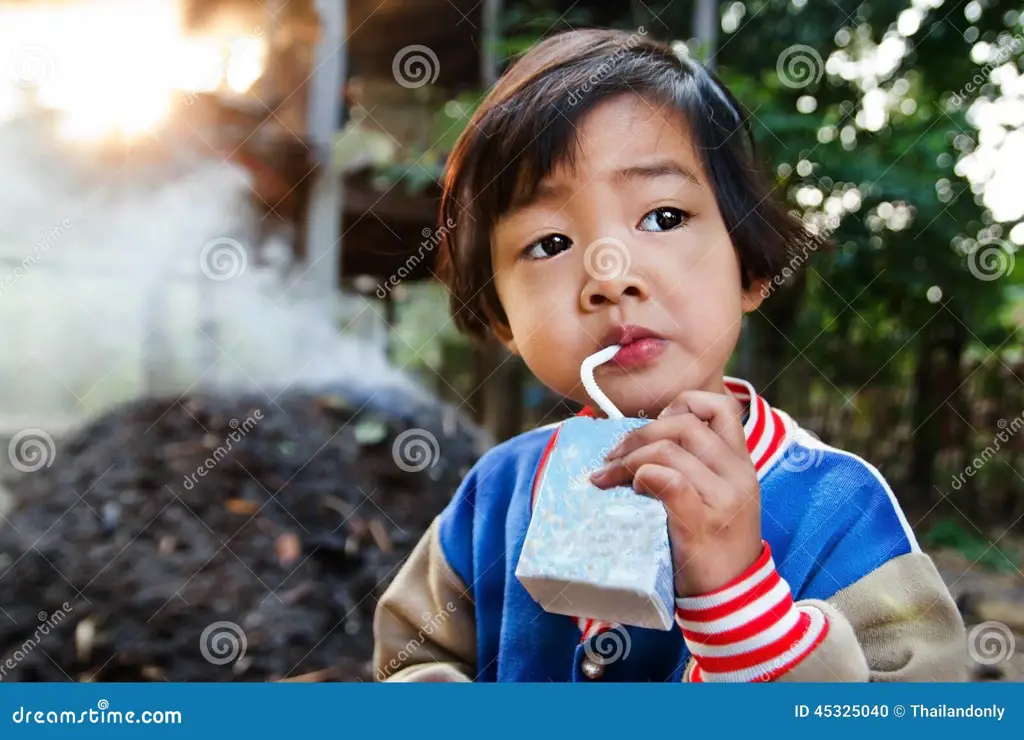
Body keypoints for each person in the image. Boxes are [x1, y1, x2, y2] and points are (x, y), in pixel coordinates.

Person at [372, 28, 966, 682]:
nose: (610, 275)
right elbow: (412, 660)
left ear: (751, 269)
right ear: (501, 318)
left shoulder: (838, 506)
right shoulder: (494, 497)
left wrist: (739, 602)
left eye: (661, 217)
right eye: (547, 243)